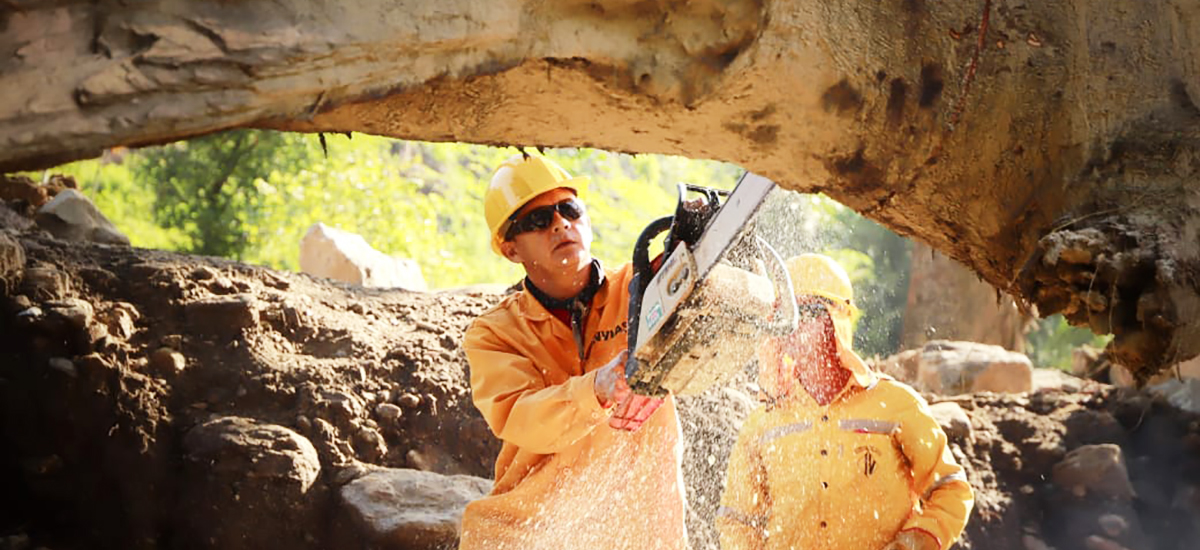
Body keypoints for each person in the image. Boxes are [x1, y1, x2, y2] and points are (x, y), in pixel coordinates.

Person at [458, 153, 687, 550]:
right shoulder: (495, 334)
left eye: (569, 209)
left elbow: (706, 313)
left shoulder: (642, 287)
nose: (561, 224)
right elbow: (518, 416)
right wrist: (596, 389)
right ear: (512, 250)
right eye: (538, 220)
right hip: (525, 533)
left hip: (639, 532)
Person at [717, 253, 974, 550]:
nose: (794, 328)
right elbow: (736, 520)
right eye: (786, 315)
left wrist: (914, 542)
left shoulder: (894, 405)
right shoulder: (762, 423)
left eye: (808, 313)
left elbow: (952, 488)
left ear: (836, 320)